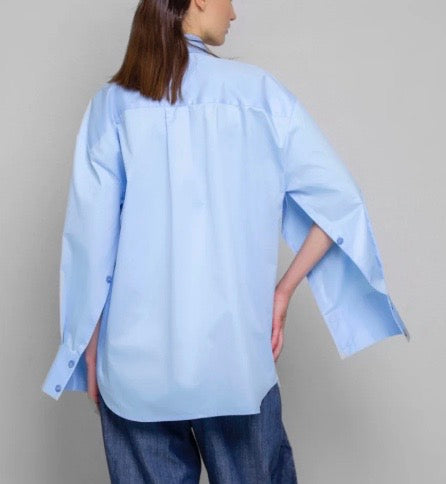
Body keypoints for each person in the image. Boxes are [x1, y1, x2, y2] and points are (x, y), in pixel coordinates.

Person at [41, 0, 410, 482]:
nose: (233, 13)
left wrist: (87, 347)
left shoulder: (112, 105)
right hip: (235, 361)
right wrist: (282, 293)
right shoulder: (258, 93)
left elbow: (90, 242)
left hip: (133, 369)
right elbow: (341, 203)